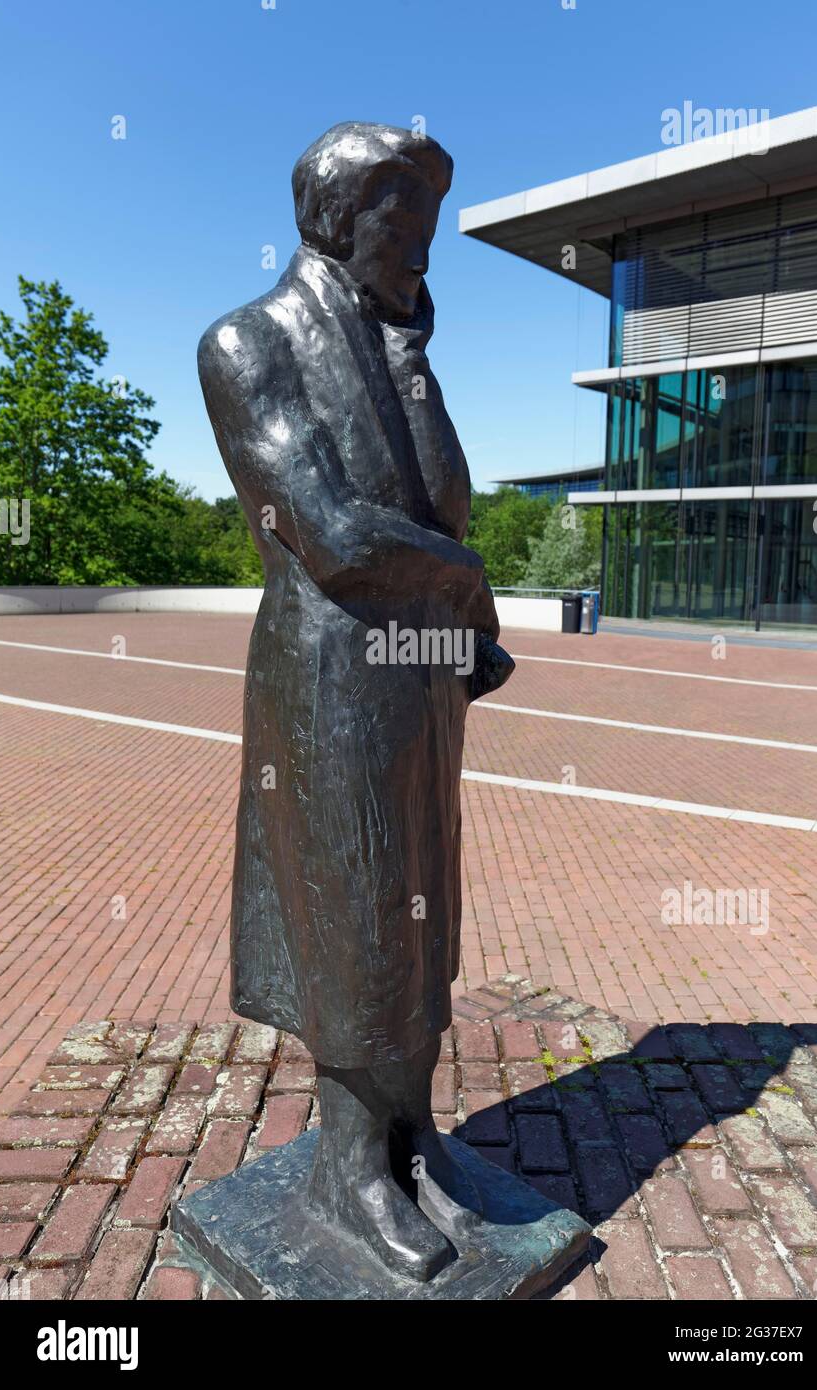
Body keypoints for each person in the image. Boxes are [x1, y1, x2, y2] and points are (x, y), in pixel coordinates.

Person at [198, 122, 513, 1281]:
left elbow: (443, 502)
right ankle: (347, 1168)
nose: (423, 258)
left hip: (420, 679)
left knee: (421, 908)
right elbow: (329, 536)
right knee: (357, 916)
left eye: (431, 236)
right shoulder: (246, 343)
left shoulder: (395, 343)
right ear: (340, 222)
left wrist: (415, 359)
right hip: (328, 679)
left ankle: (407, 1134)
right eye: (406, 233)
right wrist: (468, 585)